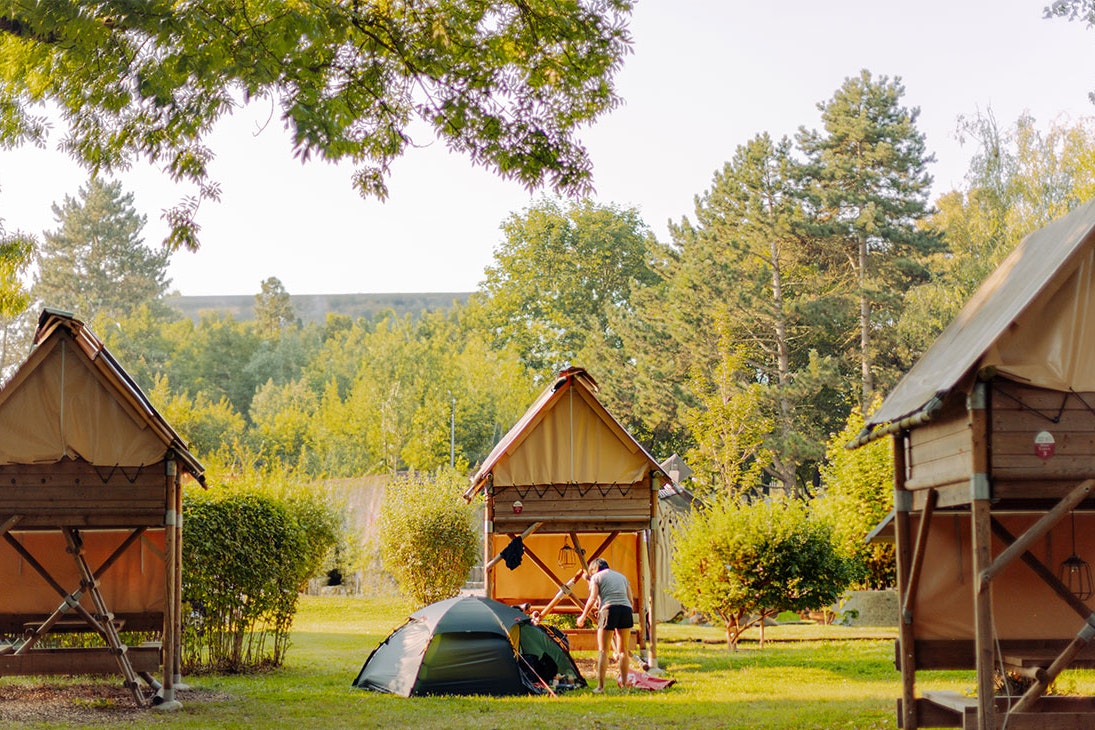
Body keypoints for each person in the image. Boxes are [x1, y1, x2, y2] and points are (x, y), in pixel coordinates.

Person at [576, 557, 634, 693]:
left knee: (603, 650)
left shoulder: (596, 577)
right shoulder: (622, 577)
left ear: (595, 569)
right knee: (623, 650)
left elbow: (592, 597)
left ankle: (600, 687)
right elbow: (630, 599)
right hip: (626, 610)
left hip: (609, 610)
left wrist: (583, 616)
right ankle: (624, 685)